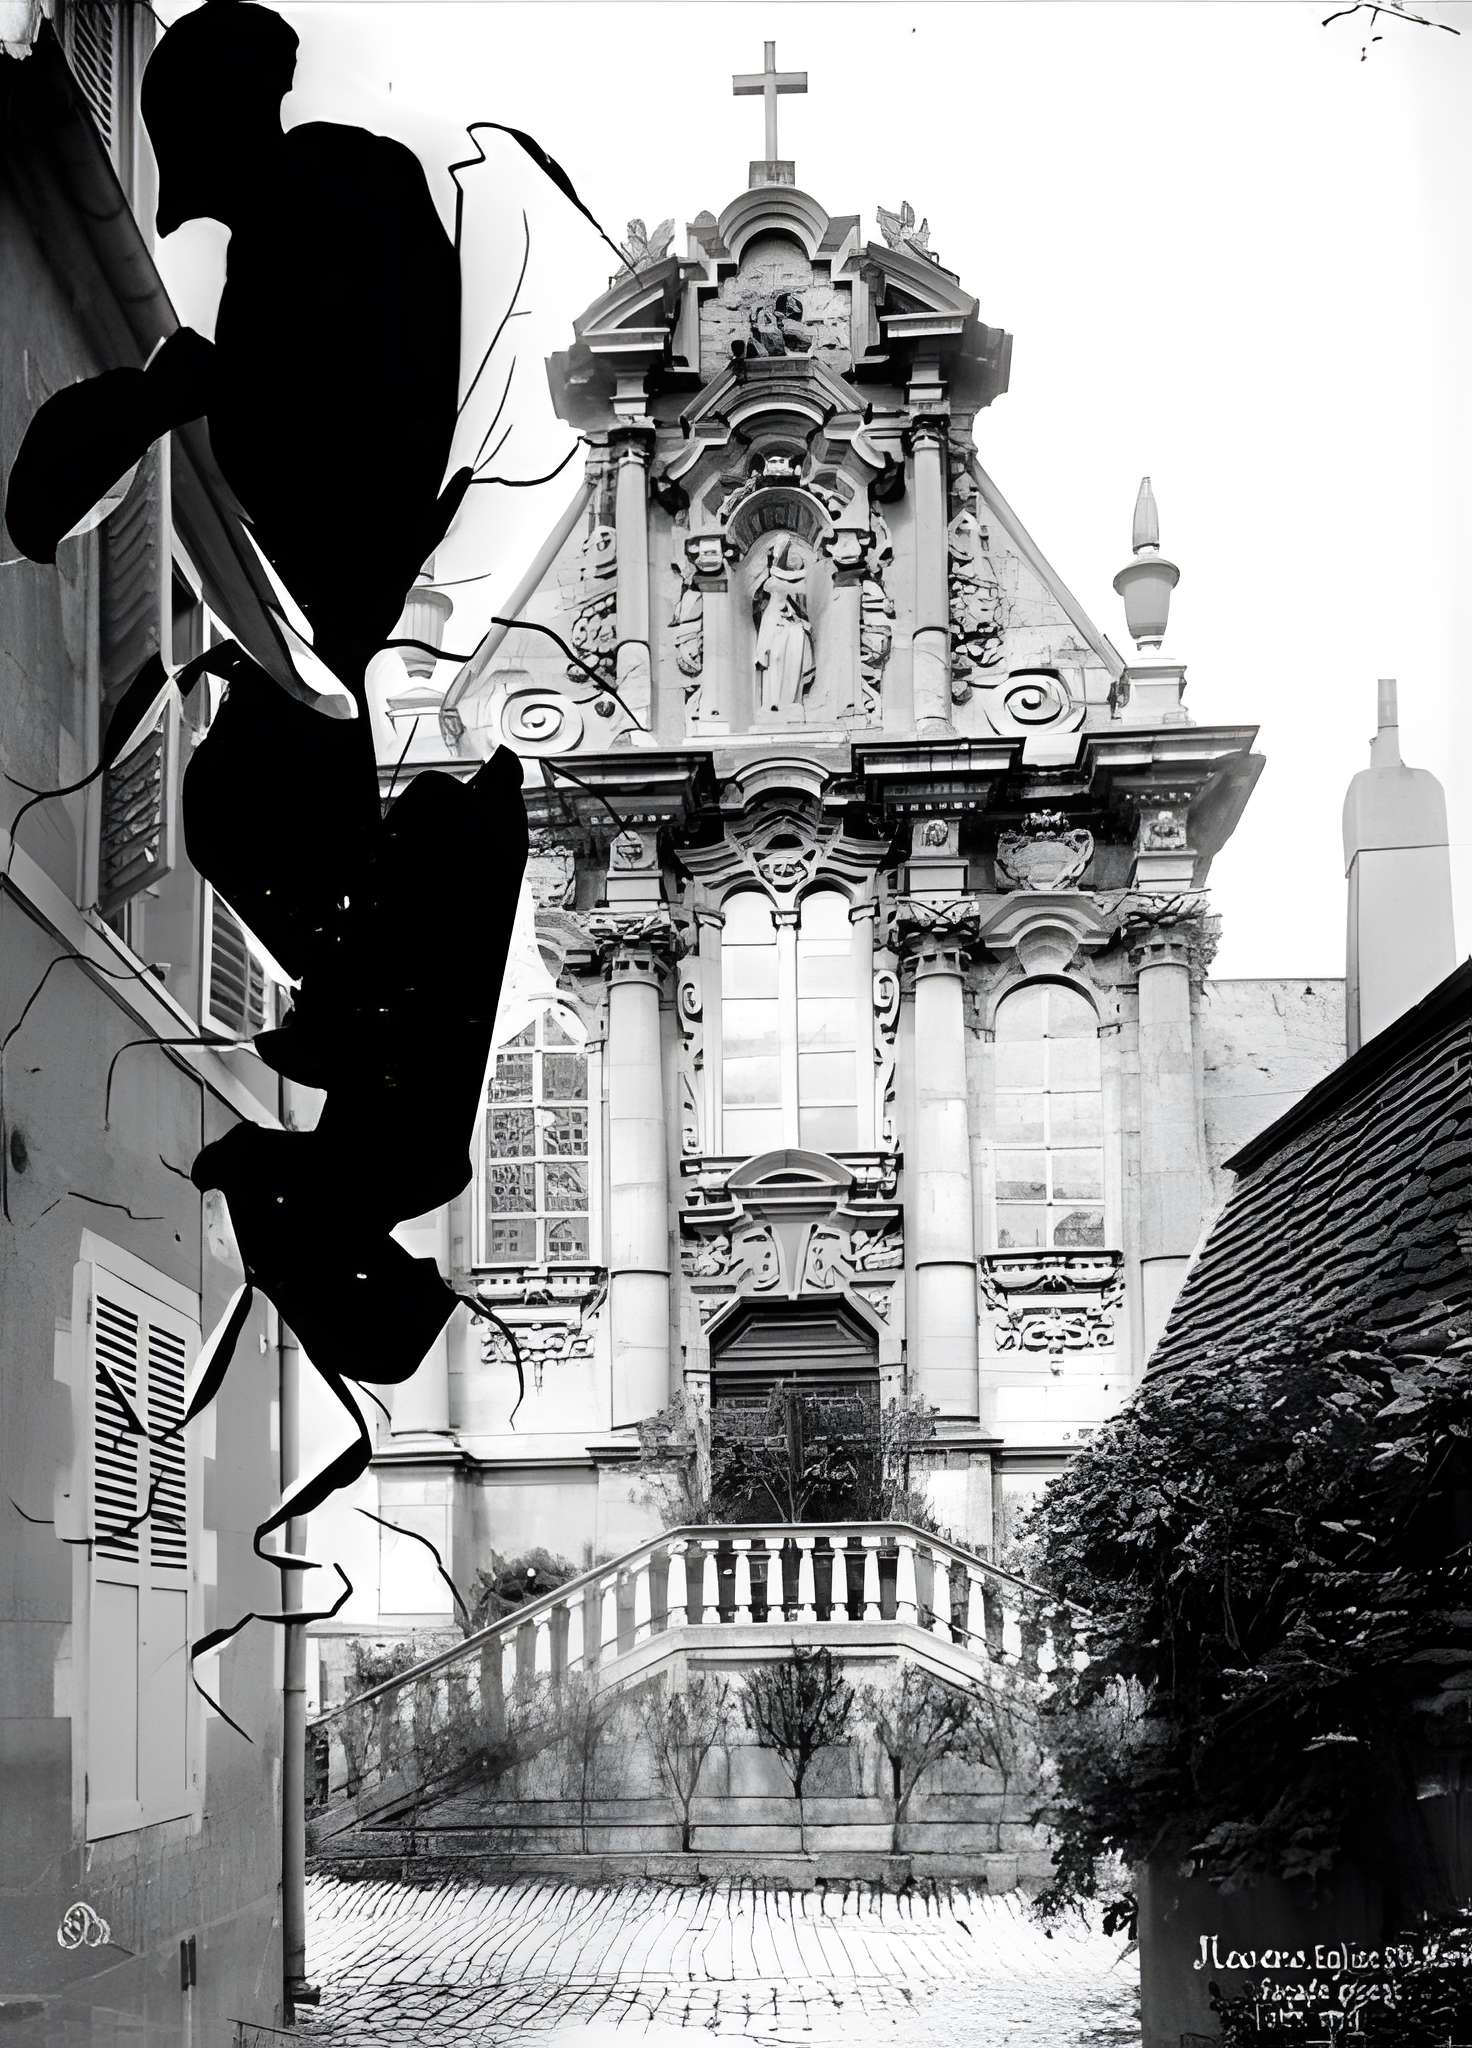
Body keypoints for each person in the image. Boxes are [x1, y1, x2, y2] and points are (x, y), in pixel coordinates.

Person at [753, 538, 816, 715]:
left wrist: (795, 620)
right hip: (774, 625)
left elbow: (798, 608)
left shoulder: (797, 590)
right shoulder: (772, 584)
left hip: (790, 629)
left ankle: (791, 700)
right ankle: (773, 702)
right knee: (775, 659)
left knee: (793, 660)